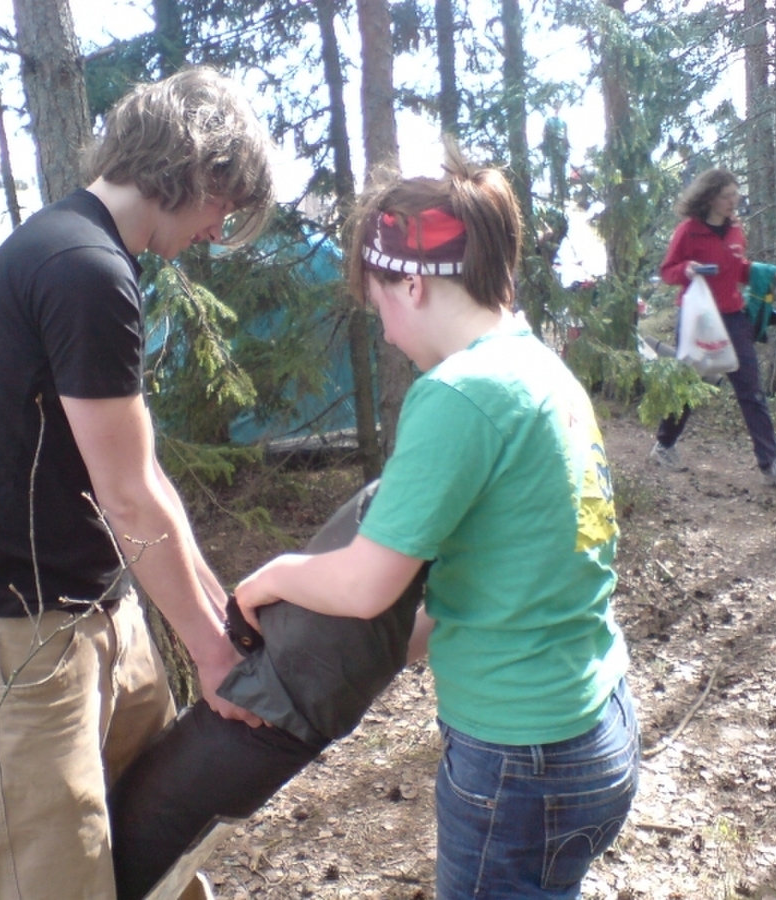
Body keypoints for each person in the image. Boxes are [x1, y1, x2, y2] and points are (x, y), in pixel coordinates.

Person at [235, 145, 639, 900]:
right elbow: (520, 572)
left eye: (381, 303)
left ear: (413, 283)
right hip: (596, 722)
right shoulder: (542, 372)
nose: (385, 331)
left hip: (521, 759)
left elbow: (364, 584)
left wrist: (275, 577)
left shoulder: (459, 393)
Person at [0, 67, 274, 900]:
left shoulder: (84, 251)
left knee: (161, 838)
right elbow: (126, 496)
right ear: (198, 170)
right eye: (226, 204)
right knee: (61, 879)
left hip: (96, 606)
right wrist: (214, 655)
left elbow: (137, 472)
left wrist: (217, 611)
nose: (219, 228)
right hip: (15, 634)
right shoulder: (83, 269)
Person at [649, 168, 776, 488]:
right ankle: (664, 445)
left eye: (736, 195)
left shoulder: (735, 232)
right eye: (727, 196)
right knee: (689, 385)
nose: (734, 201)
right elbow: (667, 271)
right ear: (710, 197)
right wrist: (688, 269)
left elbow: (739, 269)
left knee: (751, 390)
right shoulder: (688, 231)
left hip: (733, 317)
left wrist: (767, 274)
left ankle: (771, 464)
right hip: (697, 319)